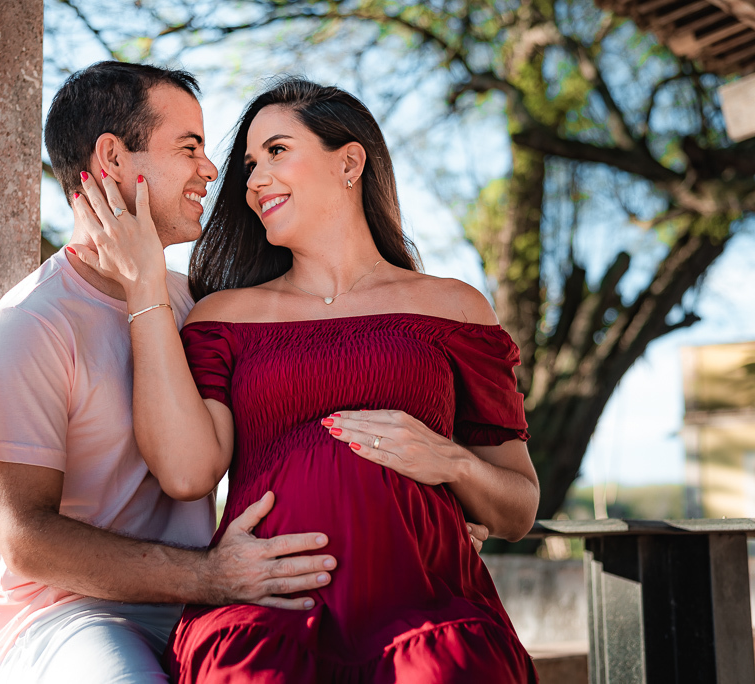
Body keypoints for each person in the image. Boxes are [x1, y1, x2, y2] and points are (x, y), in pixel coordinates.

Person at [72, 77, 540, 682]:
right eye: (248, 164)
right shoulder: (223, 316)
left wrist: (452, 463)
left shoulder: (454, 307)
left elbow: (518, 508)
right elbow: (186, 472)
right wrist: (144, 286)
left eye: (277, 151)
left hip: (425, 607)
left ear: (348, 162)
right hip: (268, 613)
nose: (253, 178)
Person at [0, 63, 345, 684]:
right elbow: (24, 538)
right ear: (112, 157)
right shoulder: (29, 326)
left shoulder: (198, 303)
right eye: (188, 147)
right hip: (59, 624)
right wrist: (214, 575)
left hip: (200, 606)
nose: (211, 169)